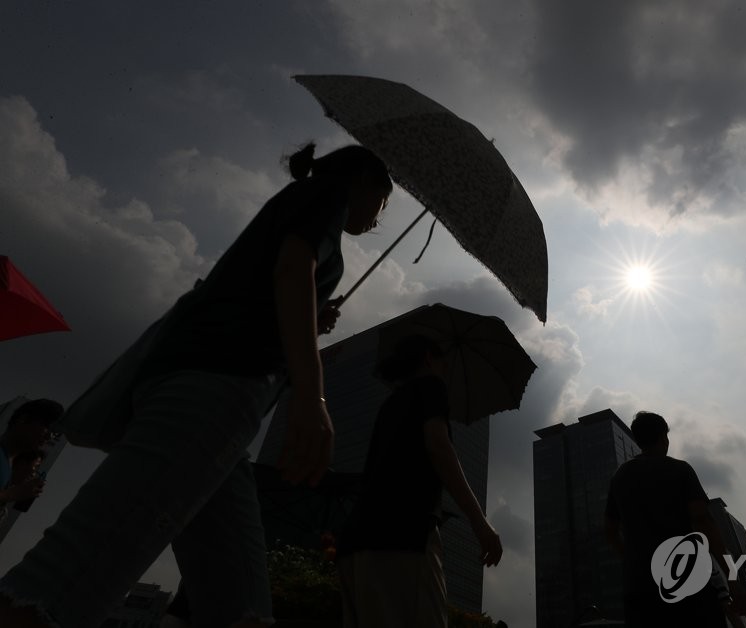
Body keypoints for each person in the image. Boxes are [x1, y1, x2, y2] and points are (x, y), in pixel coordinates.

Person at [0, 143, 393, 628]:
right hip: (214, 390)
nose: (378, 220)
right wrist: (312, 398)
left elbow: (272, 288)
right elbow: (292, 270)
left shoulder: (303, 203)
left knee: (239, 600)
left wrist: (312, 314)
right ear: (362, 181)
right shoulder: (325, 196)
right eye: (382, 205)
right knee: (57, 586)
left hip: (213, 397)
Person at [338, 334, 503, 628]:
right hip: (403, 536)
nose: (445, 373)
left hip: (356, 543)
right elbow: (439, 446)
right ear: (428, 358)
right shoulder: (431, 386)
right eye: (443, 364)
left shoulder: (390, 404)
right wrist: (480, 522)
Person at [605, 411, 746, 628]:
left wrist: (633, 561)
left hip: (640, 590)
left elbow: (610, 531)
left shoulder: (620, 477)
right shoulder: (680, 469)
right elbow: (703, 522)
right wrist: (732, 578)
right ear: (663, 438)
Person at [0, 400, 62, 510]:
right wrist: (10, 494)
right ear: (23, 419)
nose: (50, 436)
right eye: (48, 427)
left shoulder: (9, 466)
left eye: (54, 433)